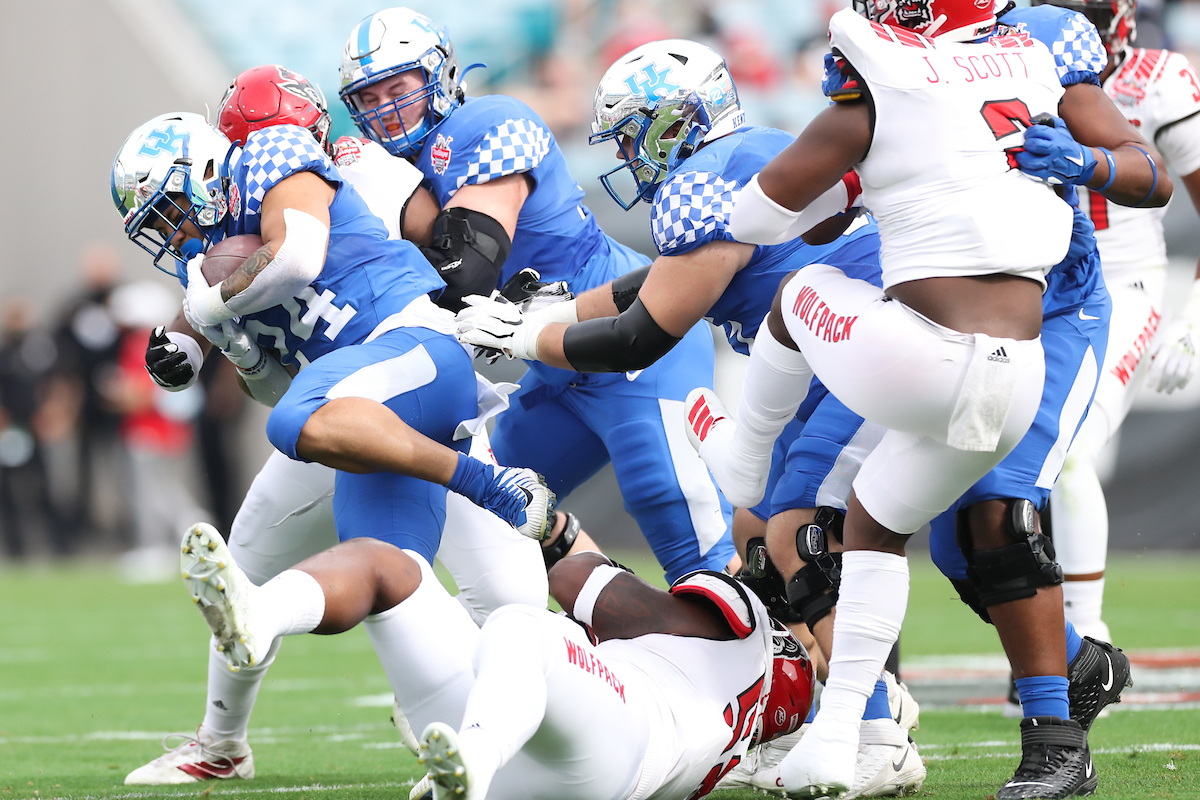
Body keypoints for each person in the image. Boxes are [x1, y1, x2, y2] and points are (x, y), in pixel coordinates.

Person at [696, 3, 1169, 799]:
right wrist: (852, 184)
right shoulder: (888, 66)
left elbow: (1146, 171)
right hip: (917, 317)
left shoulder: (1041, 39)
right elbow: (814, 225)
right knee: (860, 530)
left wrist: (1087, 166)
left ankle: (1054, 739)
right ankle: (1070, 664)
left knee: (996, 515)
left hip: (1053, 312)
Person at [454, 38, 923, 798]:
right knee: (759, 541)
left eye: (637, 131)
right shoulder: (752, 154)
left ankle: (871, 728)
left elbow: (643, 332)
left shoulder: (705, 178)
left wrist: (531, 336)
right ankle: (828, 707)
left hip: (859, 355)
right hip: (837, 356)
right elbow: (653, 282)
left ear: (676, 122)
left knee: (797, 537)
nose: (631, 156)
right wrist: (556, 309)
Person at [111, 109, 553, 783]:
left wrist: (209, 313)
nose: (173, 234)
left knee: (511, 595)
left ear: (202, 173)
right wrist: (230, 342)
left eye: (170, 209)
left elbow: (296, 257)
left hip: (409, 356)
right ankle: (225, 743)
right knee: (375, 580)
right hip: (355, 409)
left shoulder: (269, 157)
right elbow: (274, 384)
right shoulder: (208, 273)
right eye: (158, 226)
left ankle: (626, 687)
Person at [335, 7, 735, 584]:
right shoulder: (389, 172)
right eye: (368, 101)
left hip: (634, 336)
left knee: (683, 527)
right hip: (551, 362)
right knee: (498, 515)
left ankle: (805, 662)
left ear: (440, 77)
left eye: (398, 89)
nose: (386, 111)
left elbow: (467, 271)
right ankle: (615, 628)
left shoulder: (489, 122)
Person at [176, 520, 816, 800]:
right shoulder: (743, 704)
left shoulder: (754, 628)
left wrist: (567, 534)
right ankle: (260, 618)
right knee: (389, 568)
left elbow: (577, 582)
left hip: (610, 746)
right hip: (556, 745)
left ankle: (471, 768)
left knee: (519, 626)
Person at [1033, 0, 1200, 645]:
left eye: (1095, 11)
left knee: (1072, 456)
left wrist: (1189, 319)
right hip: (1034, 288)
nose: (1087, 23)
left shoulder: (1156, 81)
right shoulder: (1007, 66)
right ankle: (1041, 639)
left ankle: (1086, 639)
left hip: (1121, 285)